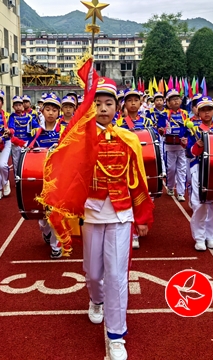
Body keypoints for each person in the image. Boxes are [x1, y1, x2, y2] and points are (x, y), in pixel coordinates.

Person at [83, 77, 153, 360]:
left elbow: (139, 180)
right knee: (93, 273)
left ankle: (116, 336)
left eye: (108, 103)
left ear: (117, 107)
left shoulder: (129, 138)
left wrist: (143, 216)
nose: (103, 108)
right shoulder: (79, 138)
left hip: (121, 213)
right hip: (90, 212)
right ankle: (96, 299)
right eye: (97, 104)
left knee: (116, 275)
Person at [185, 97, 213, 250]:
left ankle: (210, 236)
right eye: (203, 110)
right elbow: (190, 153)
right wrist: (197, 146)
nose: (206, 112)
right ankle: (199, 237)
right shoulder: (194, 129)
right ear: (198, 112)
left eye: (209, 109)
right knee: (200, 203)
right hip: (199, 167)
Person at [27, 93, 64, 259]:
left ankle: (56, 245)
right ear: (42, 111)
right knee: (42, 216)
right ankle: (46, 231)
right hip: (39, 176)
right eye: (47, 109)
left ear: (58, 112)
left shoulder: (63, 131)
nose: (50, 113)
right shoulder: (36, 132)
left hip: (59, 177)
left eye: (54, 110)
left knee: (56, 212)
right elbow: (27, 150)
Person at [115, 88, 154, 249]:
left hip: (144, 163)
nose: (133, 103)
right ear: (124, 103)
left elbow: (155, 145)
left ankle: (140, 224)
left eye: (136, 100)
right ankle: (133, 234)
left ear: (140, 103)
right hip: (126, 165)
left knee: (141, 196)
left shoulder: (148, 122)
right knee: (128, 197)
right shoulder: (118, 123)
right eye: (129, 100)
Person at [163, 89, 189, 201]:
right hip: (169, 146)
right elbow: (161, 129)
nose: (176, 101)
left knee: (182, 169)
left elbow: (188, 128)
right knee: (171, 169)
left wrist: (186, 137)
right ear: (168, 102)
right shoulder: (165, 114)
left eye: (177, 99)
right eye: (173, 99)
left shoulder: (185, 113)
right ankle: (170, 187)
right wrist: (164, 130)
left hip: (181, 146)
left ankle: (180, 193)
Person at [8, 96, 39, 180]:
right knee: (16, 162)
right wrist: (11, 131)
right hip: (16, 143)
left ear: (22, 106)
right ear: (13, 107)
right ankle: (17, 179)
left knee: (27, 161)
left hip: (27, 143)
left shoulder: (29, 117)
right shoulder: (12, 117)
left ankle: (27, 177)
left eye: (20, 105)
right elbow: (11, 127)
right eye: (16, 105)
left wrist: (35, 131)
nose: (18, 107)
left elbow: (37, 126)